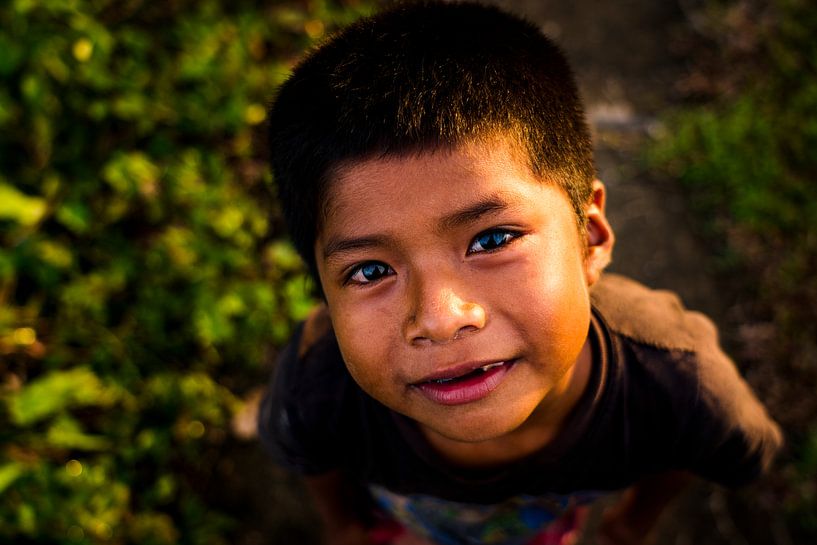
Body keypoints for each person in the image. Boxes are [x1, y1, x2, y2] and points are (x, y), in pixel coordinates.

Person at [257, 2, 783, 544]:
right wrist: (345, 527)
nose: (439, 319)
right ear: (324, 291)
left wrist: (632, 524)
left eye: (492, 240)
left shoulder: (679, 384)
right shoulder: (315, 387)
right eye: (370, 270)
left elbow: (718, 452)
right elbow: (308, 458)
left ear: (590, 237)